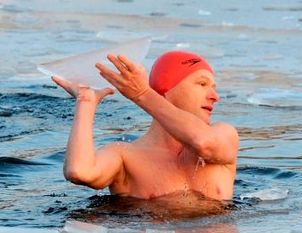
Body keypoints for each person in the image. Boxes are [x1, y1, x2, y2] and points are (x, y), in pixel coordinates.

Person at [52, 50, 239, 200]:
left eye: (214, 87)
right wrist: (85, 102)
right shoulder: (125, 156)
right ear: (165, 90)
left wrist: (142, 93)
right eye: (202, 84)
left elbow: (203, 143)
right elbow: (79, 172)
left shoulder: (224, 135)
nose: (215, 96)